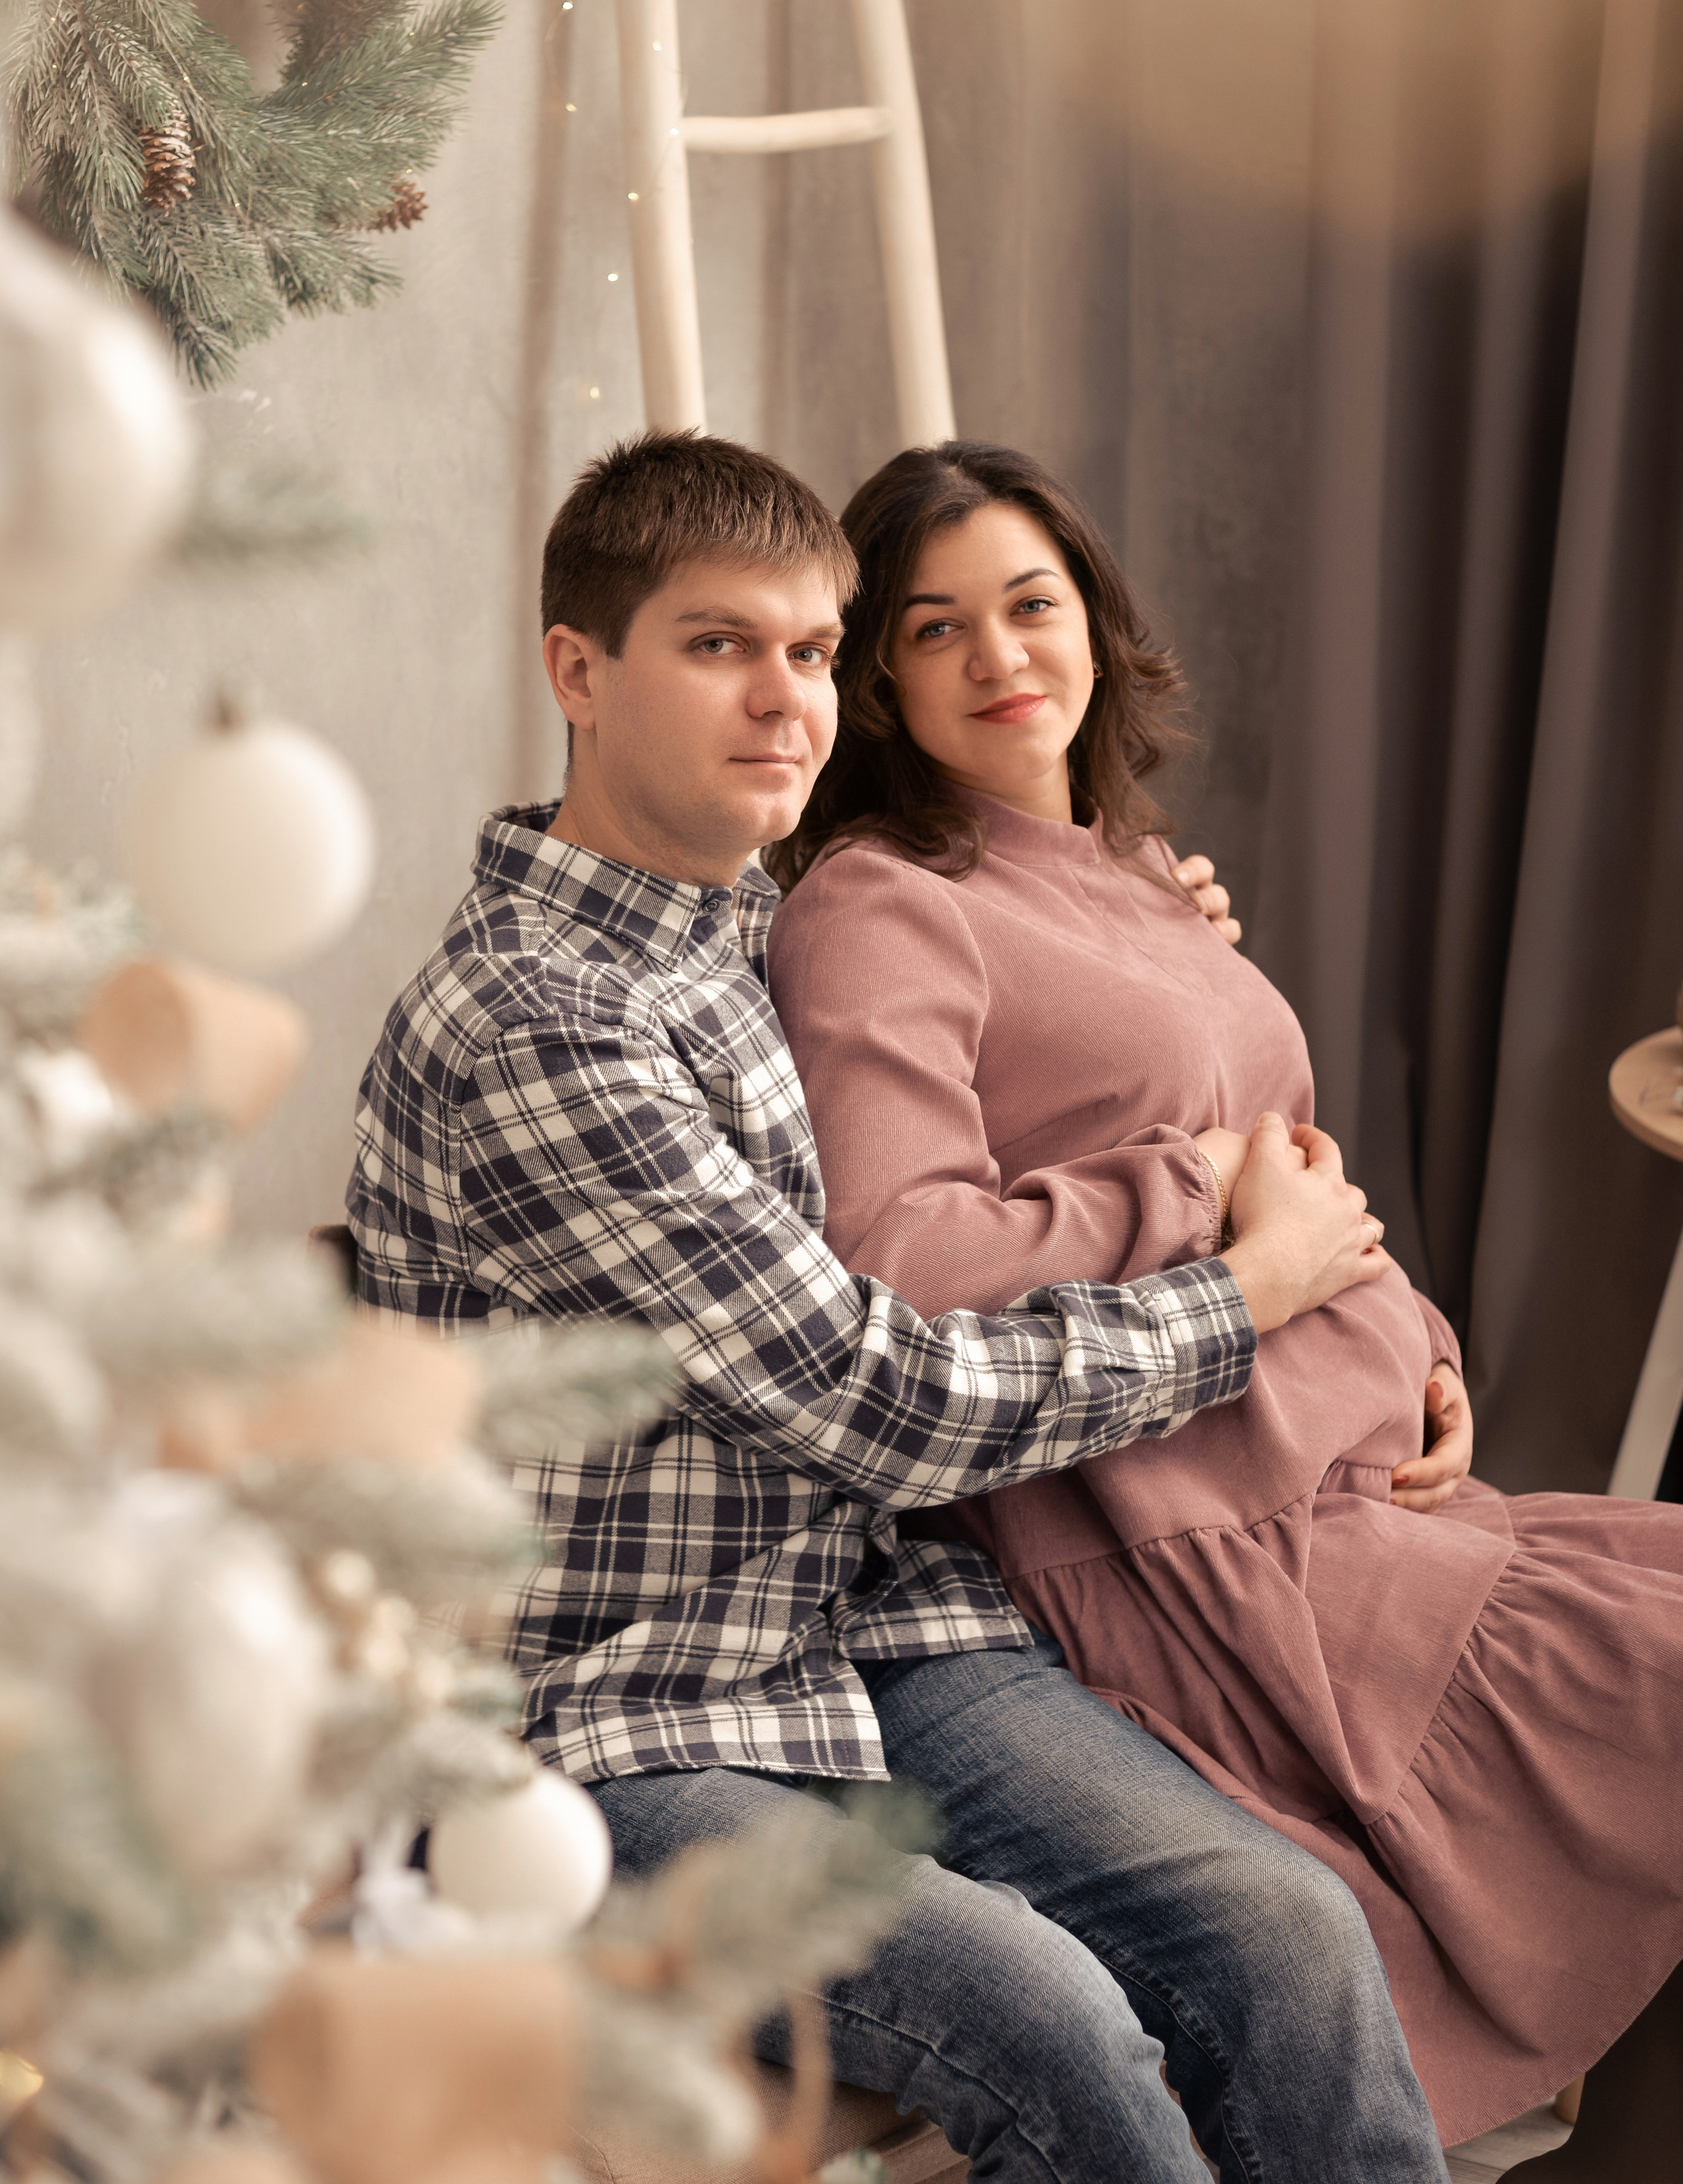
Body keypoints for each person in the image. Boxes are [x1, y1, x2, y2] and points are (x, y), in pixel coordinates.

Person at [346, 430, 1452, 2184]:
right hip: (608, 1723)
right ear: (579, 669)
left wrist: (1139, 912)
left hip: (874, 1633)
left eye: (809, 650)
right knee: (1059, 2026)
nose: (782, 697)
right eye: (718, 645)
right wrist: (1245, 1293)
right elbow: (883, 1397)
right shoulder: (542, 1028)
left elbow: (988, 986)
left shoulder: (741, 920)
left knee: (1288, 1932)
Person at [765, 437, 1683, 2177]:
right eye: (936, 630)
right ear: (879, 676)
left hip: (1362, 1487)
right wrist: (1197, 1194)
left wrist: (1423, 1354)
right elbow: (899, 1256)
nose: (1000, 658)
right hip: (1221, 1556)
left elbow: (1298, 1164)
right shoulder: (881, 905)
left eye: (1031, 606)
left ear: (1093, 620)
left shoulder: (1111, 860)